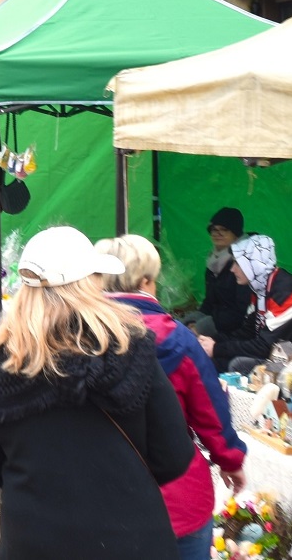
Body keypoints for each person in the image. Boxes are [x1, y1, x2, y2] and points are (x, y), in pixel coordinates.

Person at [0, 226, 195, 560]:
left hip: (35, 543)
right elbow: (174, 455)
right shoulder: (130, 346)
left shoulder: (2, 360)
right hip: (133, 540)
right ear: (90, 283)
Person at [95, 234, 247, 560]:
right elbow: (211, 413)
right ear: (146, 281)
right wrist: (230, 460)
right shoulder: (177, 339)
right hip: (177, 498)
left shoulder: (77, 337)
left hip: (100, 500)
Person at [199, 233, 292, 373]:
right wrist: (212, 342)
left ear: (255, 263)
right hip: (277, 354)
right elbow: (247, 332)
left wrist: (216, 348)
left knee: (236, 364)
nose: (232, 269)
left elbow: (264, 346)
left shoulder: (287, 292)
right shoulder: (261, 288)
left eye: (237, 263)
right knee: (216, 360)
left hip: (290, 363)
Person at [182, 208, 253, 339]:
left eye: (224, 230)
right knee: (181, 329)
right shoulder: (212, 262)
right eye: (214, 229)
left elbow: (240, 312)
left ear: (236, 233)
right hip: (217, 321)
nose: (217, 233)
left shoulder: (245, 263)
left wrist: (202, 327)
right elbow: (209, 302)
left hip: (238, 330)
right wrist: (193, 321)